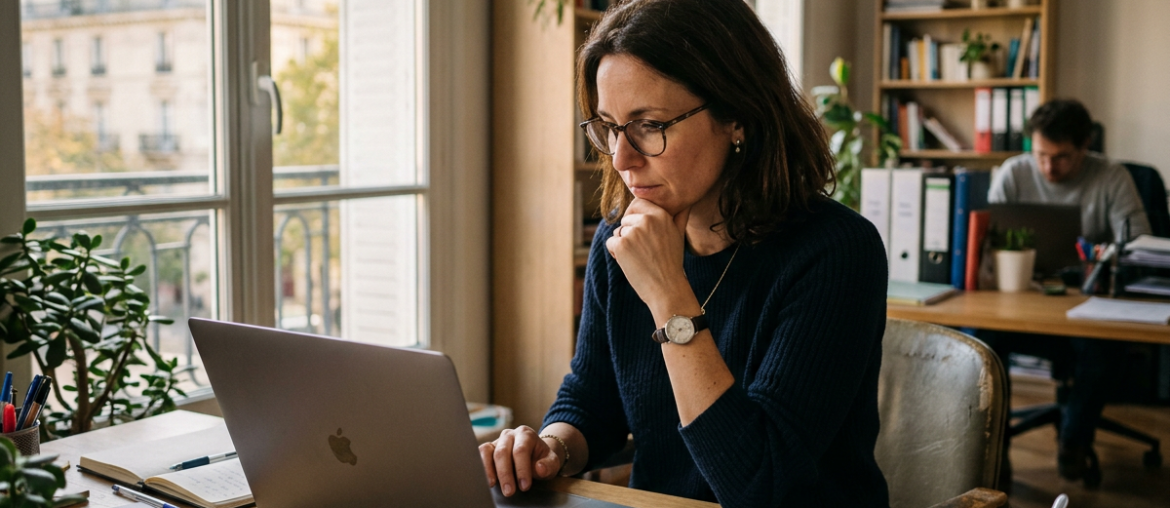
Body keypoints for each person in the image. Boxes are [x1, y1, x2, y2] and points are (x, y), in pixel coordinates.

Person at [479, 1, 890, 506]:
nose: (623, 159)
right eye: (609, 127)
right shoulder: (621, 243)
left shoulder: (836, 253)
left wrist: (669, 294)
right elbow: (593, 397)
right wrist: (550, 447)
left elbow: (764, 486)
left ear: (736, 115)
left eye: (649, 125)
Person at [985, 98, 1151, 481]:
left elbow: (1139, 242)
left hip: (1089, 304)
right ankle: (995, 450)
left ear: (1084, 146)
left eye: (1060, 157)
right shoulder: (1014, 172)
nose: (1047, 167)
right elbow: (988, 242)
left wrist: (1107, 257)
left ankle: (1075, 439)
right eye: (1040, 154)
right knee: (983, 341)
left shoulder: (1111, 176)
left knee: (1105, 350)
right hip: (1022, 302)